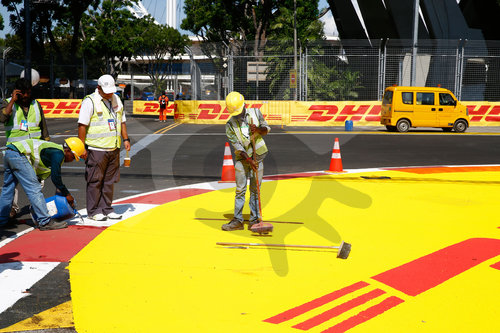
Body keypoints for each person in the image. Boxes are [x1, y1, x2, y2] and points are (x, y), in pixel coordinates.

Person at [77, 74, 131, 221]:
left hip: (113, 148)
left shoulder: (116, 99)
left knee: (109, 181)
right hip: (96, 149)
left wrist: (125, 138)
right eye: (106, 90)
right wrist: (81, 147)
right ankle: (94, 211)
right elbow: (82, 125)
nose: (109, 93)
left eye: (111, 90)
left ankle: (107, 208)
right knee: (95, 181)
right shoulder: (90, 101)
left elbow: (122, 121)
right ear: (98, 88)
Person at [0, 137, 85, 230]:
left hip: (10, 152)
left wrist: (60, 191)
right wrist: (67, 194)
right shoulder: (58, 153)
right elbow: (56, 178)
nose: (71, 160)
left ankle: (2, 220)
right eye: (73, 157)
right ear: (68, 150)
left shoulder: (53, 150)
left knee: (8, 188)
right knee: (34, 189)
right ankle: (44, 221)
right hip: (18, 155)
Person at [0, 78, 50, 219]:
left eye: (28, 92)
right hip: (16, 151)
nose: (26, 96)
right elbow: (3, 118)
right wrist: (12, 101)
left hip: (35, 151)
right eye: (23, 93)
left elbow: (43, 127)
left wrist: (47, 144)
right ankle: (13, 210)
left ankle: (34, 207)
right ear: (17, 92)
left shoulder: (36, 104)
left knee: (38, 181)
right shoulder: (9, 103)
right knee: (14, 185)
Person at [222, 91, 271, 231]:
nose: (237, 114)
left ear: (243, 105)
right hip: (243, 159)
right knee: (240, 190)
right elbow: (237, 146)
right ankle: (237, 220)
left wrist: (258, 130)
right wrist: (249, 160)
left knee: (255, 190)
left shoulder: (255, 112)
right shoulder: (230, 124)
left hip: (259, 157)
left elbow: (266, 129)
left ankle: (254, 219)